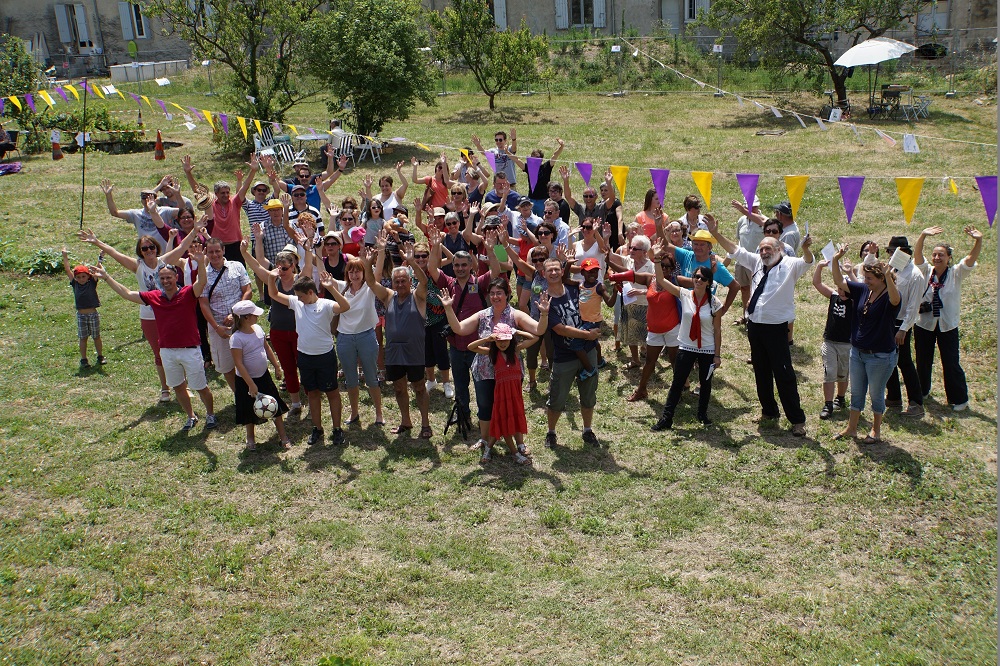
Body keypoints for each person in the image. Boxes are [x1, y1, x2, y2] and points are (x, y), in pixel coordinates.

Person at [704, 214, 813, 436]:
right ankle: (769, 411)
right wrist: (715, 233)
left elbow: (808, 261)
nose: (764, 252)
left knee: (784, 374)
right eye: (761, 249)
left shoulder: (790, 265)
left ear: (779, 248)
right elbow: (735, 250)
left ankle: (797, 420)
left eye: (768, 249)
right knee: (761, 371)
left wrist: (807, 249)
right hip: (755, 326)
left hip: (776, 328)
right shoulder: (756, 262)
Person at [77, 224, 205, 402]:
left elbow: (183, 246)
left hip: (169, 314)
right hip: (149, 316)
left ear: (156, 248)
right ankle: (164, 388)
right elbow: (115, 253)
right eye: (144, 248)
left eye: (151, 247)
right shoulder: (137, 266)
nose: (149, 251)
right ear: (140, 251)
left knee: (177, 348)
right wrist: (97, 242)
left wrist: (195, 229)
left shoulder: (165, 261)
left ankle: (183, 386)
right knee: (159, 353)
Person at [93, 249, 217, 431]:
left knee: (201, 387)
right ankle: (191, 416)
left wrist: (200, 263)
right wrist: (106, 277)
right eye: (162, 278)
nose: (166, 281)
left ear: (176, 278)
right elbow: (127, 293)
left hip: (190, 349)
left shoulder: (188, 294)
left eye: (169, 278)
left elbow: (202, 282)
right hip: (167, 351)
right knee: (178, 387)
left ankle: (211, 415)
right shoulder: (154, 297)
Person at [440, 276, 548, 451]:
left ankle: (518, 442)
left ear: (507, 294)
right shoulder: (482, 315)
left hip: (509, 370)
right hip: (484, 370)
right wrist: (448, 309)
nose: (496, 297)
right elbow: (459, 329)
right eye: (492, 293)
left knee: (511, 405)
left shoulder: (515, 315)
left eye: (499, 293)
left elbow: (539, 330)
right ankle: (484, 440)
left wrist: (543, 314)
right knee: (484, 405)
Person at [268, 272, 351, 446]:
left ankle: (337, 429)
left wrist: (331, 288)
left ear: (311, 292)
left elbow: (345, 307)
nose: (298, 299)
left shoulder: (326, 304)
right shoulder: (297, 303)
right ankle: (317, 428)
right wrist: (271, 278)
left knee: (332, 393)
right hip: (305, 357)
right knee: (312, 393)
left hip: (325, 357)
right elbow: (274, 294)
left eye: (301, 296)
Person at [831, 246, 900, 443]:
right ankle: (851, 428)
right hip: (858, 352)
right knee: (857, 392)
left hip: (880, 356)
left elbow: (896, 300)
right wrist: (836, 259)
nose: (866, 281)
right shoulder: (863, 290)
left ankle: (875, 430)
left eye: (870, 278)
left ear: (881, 280)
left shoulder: (890, 296)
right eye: (865, 277)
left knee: (876, 394)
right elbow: (838, 281)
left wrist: (888, 277)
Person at [365, 235, 433, 439]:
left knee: (419, 388)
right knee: (398, 388)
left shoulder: (418, 296)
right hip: (394, 352)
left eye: (404, 280)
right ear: (392, 283)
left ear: (409, 281)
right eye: (397, 281)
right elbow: (369, 281)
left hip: (414, 351)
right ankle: (406, 421)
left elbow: (425, 280)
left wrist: (412, 261)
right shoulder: (388, 296)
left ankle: (425, 424)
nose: (401, 284)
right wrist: (369, 262)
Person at [912, 225, 983, 412]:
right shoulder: (927, 271)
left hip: (947, 325)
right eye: (934, 254)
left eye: (941, 255)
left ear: (949, 258)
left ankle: (959, 399)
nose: (936, 258)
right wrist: (923, 235)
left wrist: (978, 241)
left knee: (951, 362)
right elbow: (917, 257)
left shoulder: (956, 273)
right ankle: (922, 391)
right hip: (924, 323)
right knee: (923, 360)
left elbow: (970, 260)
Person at [651, 266, 723, 430]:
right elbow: (662, 280)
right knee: (677, 383)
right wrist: (655, 259)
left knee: (705, 383)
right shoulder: (684, 294)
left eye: (702, 278)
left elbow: (717, 330)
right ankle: (667, 418)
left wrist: (717, 355)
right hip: (686, 346)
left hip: (707, 348)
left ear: (708, 283)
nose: (698, 280)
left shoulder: (714, 303)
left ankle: (702, 414)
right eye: (696, 277)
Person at [541, 258, 602, 449]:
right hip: (564, 355)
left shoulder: (575, 289)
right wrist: (587, 334)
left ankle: (587, 429)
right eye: (549, 270)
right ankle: (551, 432)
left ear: (562, 271)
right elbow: (560, 329)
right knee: (557, 398)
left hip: (588, 351)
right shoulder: (545, 300)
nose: (553, 273)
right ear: (544, 274)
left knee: (588, 394)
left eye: (556, 269)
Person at [468, 323, 537, 465]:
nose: (503, 343)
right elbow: (471, 347)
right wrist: (487, 338)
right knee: (504, 423)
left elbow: (533, 338)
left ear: (511, 339)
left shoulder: (515, 351)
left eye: (506, 339)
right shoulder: (492, 353)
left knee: (508, 422)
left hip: (515, 394)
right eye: (499, 340)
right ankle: (515, 453)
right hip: (502, 395)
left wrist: (516, 331)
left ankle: (489, 448)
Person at [229, 300, 291, 451]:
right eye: (255, 314)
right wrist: (250, 383)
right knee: (248, 409)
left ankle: (283, 436)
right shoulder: (236, 338)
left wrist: (277, 366)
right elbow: (238, 363)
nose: (258, 316)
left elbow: (267, 348)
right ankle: (250, 438)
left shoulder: (257, 329)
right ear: (246, 318)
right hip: (246, 381)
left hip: (263, 376)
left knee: (274, 405)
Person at [199, 238, 253, 392]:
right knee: (226, 365)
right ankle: (239, 395)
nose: (215, 255)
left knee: (248, 361)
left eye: (217, 251)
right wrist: (216, 328)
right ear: (206, 253)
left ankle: (252, 390)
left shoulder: (237, 266)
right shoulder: (203, 275)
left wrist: (235, 313)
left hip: (242, 322)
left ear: (223, 251)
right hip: (220, 328)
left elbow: (247, 290)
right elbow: (203, 303)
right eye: (211, 252)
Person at [883, 236, 925, 416]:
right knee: (887, 360)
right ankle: (893, 396)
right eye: (889, 252)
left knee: (904, 362)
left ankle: (916, 401)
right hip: (889, 320)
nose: (891, 255)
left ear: (904, 252)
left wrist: (903, 329)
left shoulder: (915, 275)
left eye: (893, 252)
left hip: (901, 323)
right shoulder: (892, 270)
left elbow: (913, 306)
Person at [181, 155, 246, 263]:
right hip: (217, 247)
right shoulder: (210, 203)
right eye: (222, 193)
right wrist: (188, 173)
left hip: (235, 245)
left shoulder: (234, 202)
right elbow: (197, 190)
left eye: (227, 192)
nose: (226, 195)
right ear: (216, 193)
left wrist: (252, 171)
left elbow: (245, 188)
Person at [812, 259, 852, 419]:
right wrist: (819, 267)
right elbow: (817, 283)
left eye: (844, 290)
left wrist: (850, 273)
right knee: (829, 373)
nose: (841, 292)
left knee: (843, 374)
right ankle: (828, 404)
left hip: (847, 344)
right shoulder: (834, 296)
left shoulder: (856, 302)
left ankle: (840, 398)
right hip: (830, 342)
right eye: (839, 288)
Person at [606, 234, 653, 369]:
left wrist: (641, 292)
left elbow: (656, 287)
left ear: (644, 252)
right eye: (630, 247)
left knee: (647, 338)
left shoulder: (651, 266)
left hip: (645, 305)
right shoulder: (628, 261)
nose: (630, 250)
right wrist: (605, 238)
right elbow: (610, 256)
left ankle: (650, 362)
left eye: (634, 249)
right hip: (628, 303)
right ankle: (635, 360)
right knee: (630, 334)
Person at [100, 179, 181, 253]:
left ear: (156, 200)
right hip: (145, 254)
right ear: (141, 200)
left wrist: (177, 194)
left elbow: (183, 211)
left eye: (150, 198)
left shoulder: (165, 211)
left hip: (164, 254)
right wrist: (108, 195)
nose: (147, 201)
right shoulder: (135, 214)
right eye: (144, 198)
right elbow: (115, 213)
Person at [62, 250, 104, 368]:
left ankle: (100, 356)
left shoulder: (92, 283)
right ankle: (84, 359)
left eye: (83, 276)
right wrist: (65, 256)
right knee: (83, 338)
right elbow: (67, 270)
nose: (81, 279)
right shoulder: (75, 284)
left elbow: (97, 268)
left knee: (96, 336)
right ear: (75, 278)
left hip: (93, 314)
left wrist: (101, 256)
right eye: (78, 277)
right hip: (81, 316)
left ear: (88, 276)